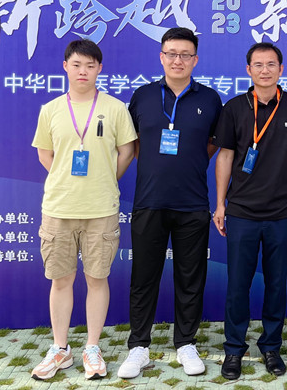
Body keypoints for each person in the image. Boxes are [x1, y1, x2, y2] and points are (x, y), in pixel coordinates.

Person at [117, 28, 222, 379]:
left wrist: (186, 162)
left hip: (192, 203)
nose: (178, 60)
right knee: (143, 276)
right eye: (172, 53)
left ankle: (186, 343)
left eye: (185, 55)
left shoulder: (210, 99)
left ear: (195, 59)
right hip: (150, 201)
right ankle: (138, 346)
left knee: (190, 277)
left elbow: (212, 144)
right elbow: (133, 144)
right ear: (161, 57)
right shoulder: (143, 96)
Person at [30, 39, 136, 381]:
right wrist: (66, 179)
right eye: (77, 65)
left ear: (99, 69)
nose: (83, 72)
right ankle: (60, 348)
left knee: (97, 278)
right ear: (65, 66)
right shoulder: (50, 110)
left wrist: (104, 179)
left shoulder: (115, 108)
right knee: (61, 280)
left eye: (90, 66)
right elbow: (45, 154)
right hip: (58, 208)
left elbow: (127, 151)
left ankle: (92, 347)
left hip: (101, 209)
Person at [213, 42, 287, 380]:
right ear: (248, 70)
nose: (265, 70)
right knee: (237, 285)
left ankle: (271, 346)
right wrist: (220, 203)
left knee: (276, 284)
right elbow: (225, 156)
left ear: (281, 69)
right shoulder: (234, 107)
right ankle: (233, 349)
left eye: (271, 64)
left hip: (283, 212)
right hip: (241, 212)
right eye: (258, 65)